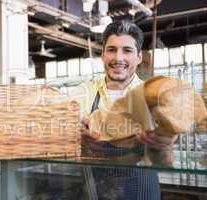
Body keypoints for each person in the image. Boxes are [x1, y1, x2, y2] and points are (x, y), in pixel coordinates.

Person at [70, 20, 178, 200]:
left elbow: (167, 154)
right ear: (102, 54)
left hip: (141, 192)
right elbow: (64, 118)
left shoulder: (152, 96)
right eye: (111, 49)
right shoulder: (86, 91)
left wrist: (166, 139)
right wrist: (77, 134)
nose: (118, 58)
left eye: (127, 50)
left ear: (139, 57)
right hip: (96, 191)